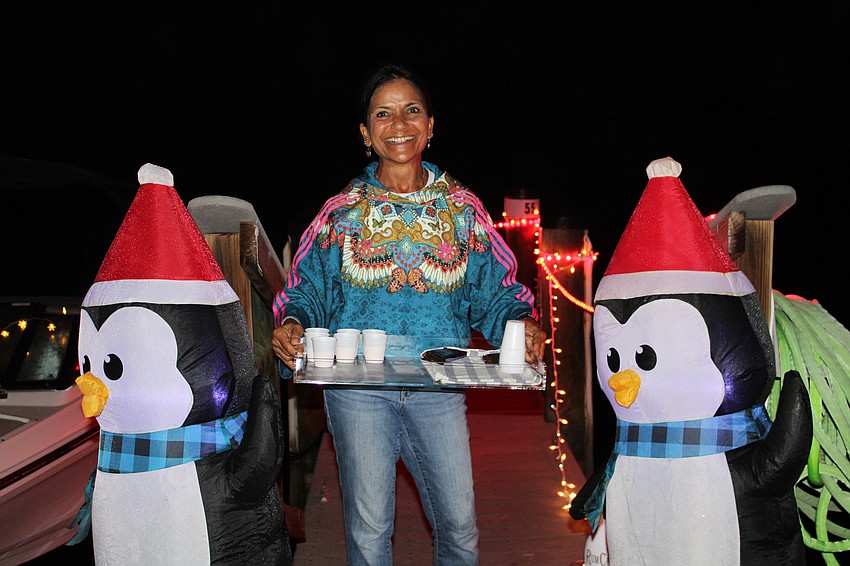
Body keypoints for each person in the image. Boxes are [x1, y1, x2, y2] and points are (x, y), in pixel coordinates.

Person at [271, 63, 546, 566]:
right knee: (371, 531)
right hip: (358, 390)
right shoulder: (340, 213)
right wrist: (292, 323)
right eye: (384, 113)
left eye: (412, 110)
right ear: (365, 132)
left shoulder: (463, 210)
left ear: (431, 125)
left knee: (459, 529)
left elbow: (498, 291)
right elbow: (305, 288)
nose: (399, 124)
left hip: (439, 385)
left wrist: (520, 322)